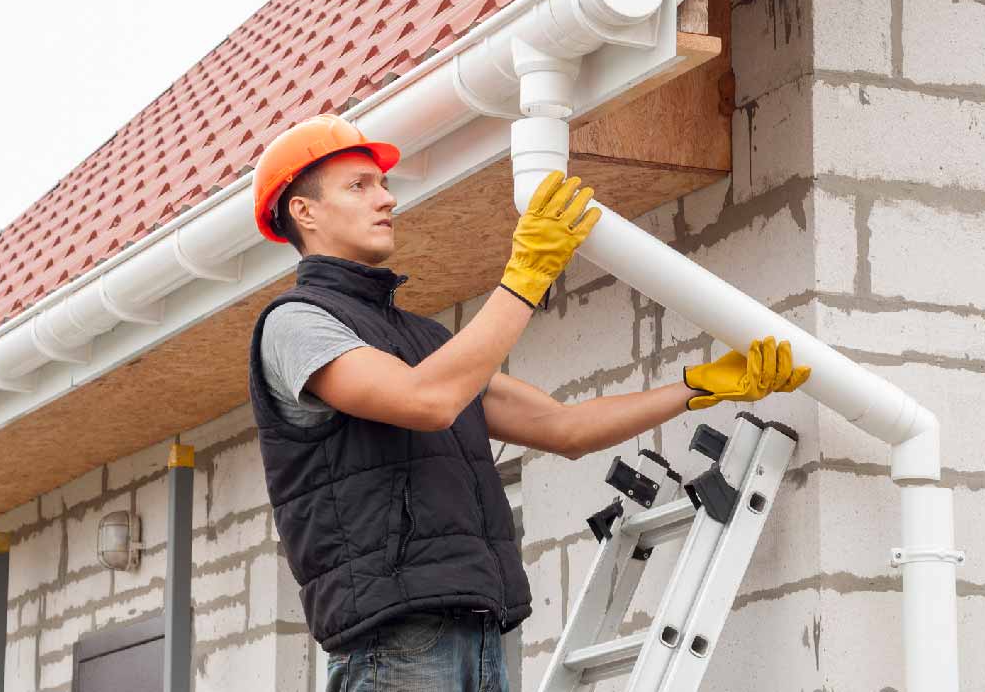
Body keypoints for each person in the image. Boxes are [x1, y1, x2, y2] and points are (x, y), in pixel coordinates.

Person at [246, 114, 810, 692]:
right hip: (397, 642)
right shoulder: (297, 325)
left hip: (480, 633)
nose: (386, 198)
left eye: (384, 184)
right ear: (304, 212)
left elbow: (563, 429)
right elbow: (427, 401)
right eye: (359, 185)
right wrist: (526, 276)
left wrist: (696, 387)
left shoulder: (427, 342)